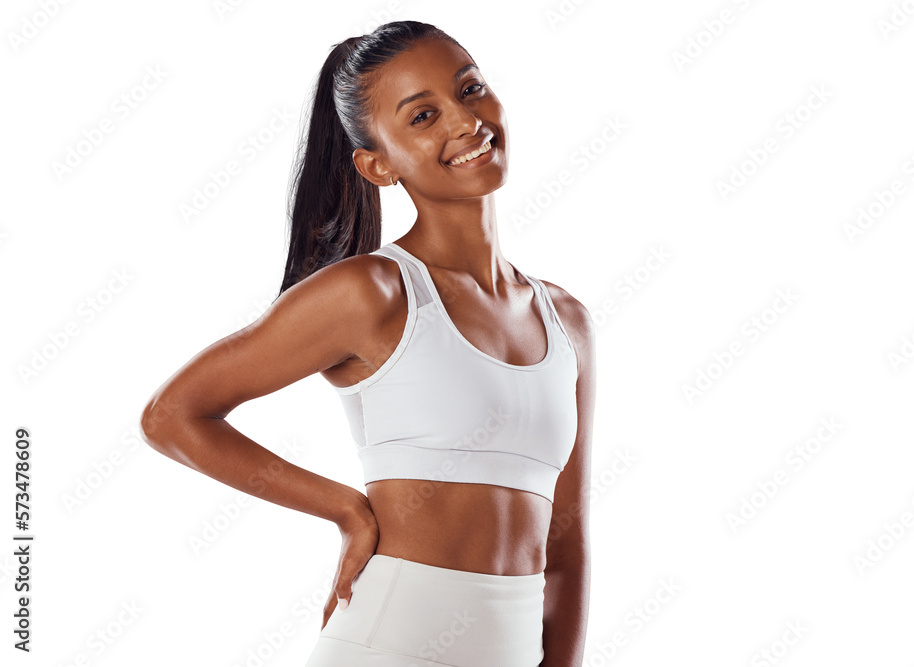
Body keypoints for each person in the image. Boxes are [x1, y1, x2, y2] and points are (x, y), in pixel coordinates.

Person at [140, 20, 595, 666]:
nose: (465, 123)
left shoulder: (568, 320)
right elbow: (172, 415)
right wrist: (346, 510)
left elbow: (567, 545)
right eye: (423, 116)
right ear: (377, 164)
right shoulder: (373, 293)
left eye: (470, 89)